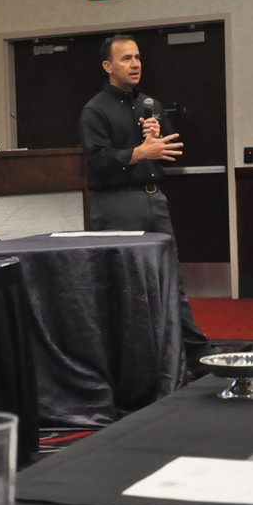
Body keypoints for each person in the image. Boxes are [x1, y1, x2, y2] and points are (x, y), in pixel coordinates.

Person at [78, 34, 213, 378]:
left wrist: (156, 136)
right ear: (108, 66)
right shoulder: (95, 110)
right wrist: (138, 152)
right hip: (117, 203)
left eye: (137, 57)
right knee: (126, 285)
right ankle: (132, 365)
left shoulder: (149, 104)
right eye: (126, 58)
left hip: (155, 199)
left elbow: (168, 153)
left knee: (171, 280)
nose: (135, 64)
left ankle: (196, 356)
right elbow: (97, 162)